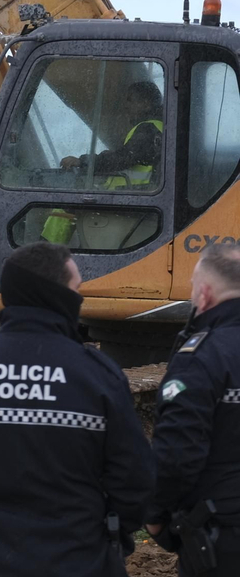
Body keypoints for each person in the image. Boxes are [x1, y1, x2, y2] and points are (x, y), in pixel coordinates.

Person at [0, 241, 153, 576]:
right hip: (80, 561)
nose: (80, 300)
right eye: (76, 290)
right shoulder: (97, 375)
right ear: (55, 295)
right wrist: (107, 535)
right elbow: (134, 481)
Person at [149, 243, 240, 575]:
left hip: (224, 537)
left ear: (204, 294)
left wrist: (155, 516)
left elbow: (176, 453)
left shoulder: (202, 356)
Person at [61, 80, 164, 188]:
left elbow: (122, 159)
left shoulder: (147, 129)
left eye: (130, 100)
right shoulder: (158, 128)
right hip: (135, 195)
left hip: (129, 197)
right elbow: (130, 157)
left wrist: (83, 161)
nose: (126, 106)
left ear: (146, 104)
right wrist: (110, 155)